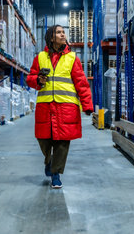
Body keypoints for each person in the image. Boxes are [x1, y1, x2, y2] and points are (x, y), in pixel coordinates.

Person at [26, 25, 94, 189]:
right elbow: (30, 78)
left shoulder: (72, 58)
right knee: (44, 140)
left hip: (66, 108)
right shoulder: (41, 57)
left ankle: (56, 174)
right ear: (51, 37)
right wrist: (38, 80)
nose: (62, 34)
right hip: (46, 107)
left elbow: (82, 84)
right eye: (58, 32)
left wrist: (87, 105)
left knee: (62, 143)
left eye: (63, 32)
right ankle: (49, 161)